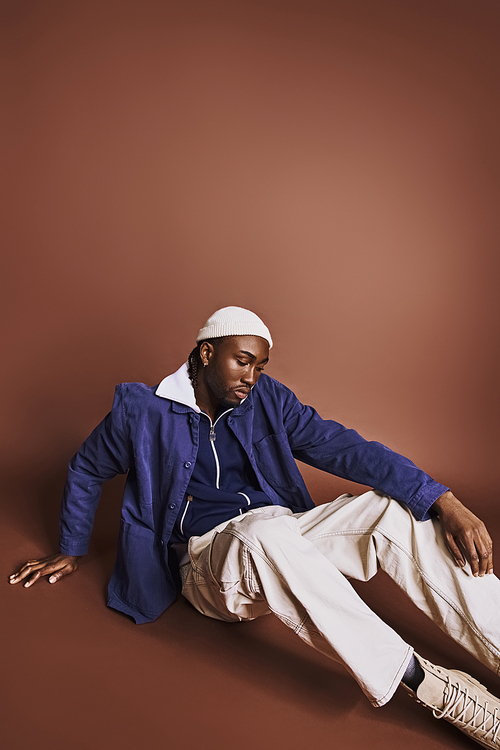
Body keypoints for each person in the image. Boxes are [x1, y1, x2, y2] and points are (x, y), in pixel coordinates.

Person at [9, 306, 500, 747]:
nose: (252, 375)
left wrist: (441, 498)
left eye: (260, 365)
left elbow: (348, 448)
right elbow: (87, 467)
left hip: (283, 538)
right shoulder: (143, 411)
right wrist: (71, 546)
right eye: (242, 360)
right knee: (263, 535)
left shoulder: (268, 400)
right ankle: (430, 684)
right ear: (206, 353)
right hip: (210, 565)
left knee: (392, 512)